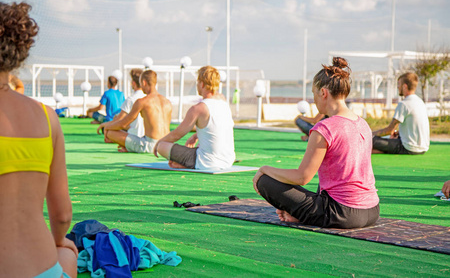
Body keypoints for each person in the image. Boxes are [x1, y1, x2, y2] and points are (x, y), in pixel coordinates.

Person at [253, 57, 379, 229]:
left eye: (314, 94)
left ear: (324, 93)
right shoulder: (362, 124)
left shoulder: (324, 128)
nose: (314, 99)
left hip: (342, 214)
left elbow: (302, 177)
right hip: (372, 210)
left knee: (266, 181)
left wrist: (264, 169)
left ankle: (300, 213)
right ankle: (299, 215)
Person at [0, 1, 77, 277]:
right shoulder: (47, 118)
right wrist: (59, 241)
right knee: (66, 252)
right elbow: (62, 215)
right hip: (42, 270)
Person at [154, 66, 235, 170]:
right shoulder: (223, 101)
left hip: (207, 162)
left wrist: (158, 143)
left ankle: (184, 164)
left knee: (162, 146)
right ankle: (183, 163)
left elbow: (177, 134)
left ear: (202, 84)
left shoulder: (198, 108)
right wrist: (196, 136)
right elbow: (217, 126)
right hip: (228, 161)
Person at [97, 70, 172, 153]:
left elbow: (123, 124)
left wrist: (106, 128)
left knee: (110, 132)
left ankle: (129, 147)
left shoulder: (142, 101)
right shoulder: (167, 102)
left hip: (150, 146)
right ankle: (129, 147)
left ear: (143, 82)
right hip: (166, 145)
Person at [372, 72, 430, 154]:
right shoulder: (420, 102)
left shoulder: (404, 104)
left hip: (408, 148)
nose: (397, 87)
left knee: (371, 140)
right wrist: (400, 133)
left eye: (399, 84)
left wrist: (370, 134)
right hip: (423, 148)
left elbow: (389, 130)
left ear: (404, 86)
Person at [102, 68, 146, 150]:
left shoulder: (131, 99)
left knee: (109, 131)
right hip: (147, 138)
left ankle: (127, 145)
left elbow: (119, 122)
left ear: (133, 83)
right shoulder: (148, 98)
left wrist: (105, 126)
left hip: (134, 137)